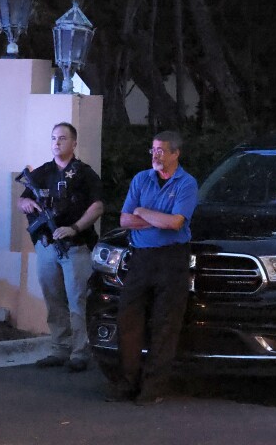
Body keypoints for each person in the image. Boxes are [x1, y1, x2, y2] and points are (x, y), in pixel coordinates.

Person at [106, 130, 198, 405]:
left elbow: (175, 224)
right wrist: (157, 218)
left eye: (161, 150)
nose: (155, 155)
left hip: (172, 259)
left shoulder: (186, 183)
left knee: (164, 323)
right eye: (153, 150)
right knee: (129, 318)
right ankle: (127, 382)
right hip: (142, 257)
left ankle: (154, 387)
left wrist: (143, 212)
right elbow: (124, 220)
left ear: (175, 153)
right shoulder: (141, 179)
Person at [18, 122, 104, 373]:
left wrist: (75, 228)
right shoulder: (43, 172)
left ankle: (79, 352)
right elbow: (22, 198)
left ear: (74, 143)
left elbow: (97, 207)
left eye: (62, 139)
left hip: (75, 247)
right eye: (53, 138)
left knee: (77, 300)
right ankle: (59, 348)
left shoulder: (85, 174)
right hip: (46, 247)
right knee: (53, 299)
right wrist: (25, 203)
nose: (57, 143)